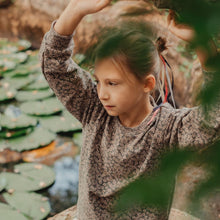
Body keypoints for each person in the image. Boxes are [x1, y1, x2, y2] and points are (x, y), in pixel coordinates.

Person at [39, 0, 219, 219]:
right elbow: (54, 65)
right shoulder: (93, 109)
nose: (102, 93)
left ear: (147, 84)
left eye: (113, 83)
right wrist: (75, 9)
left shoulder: (166, 128)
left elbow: (212, 118)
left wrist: (203, 43)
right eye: (98, 81)